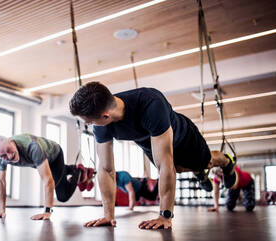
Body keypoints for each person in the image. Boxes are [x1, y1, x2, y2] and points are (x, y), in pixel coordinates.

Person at [69, 81, 237, 230]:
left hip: (184, 137)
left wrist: (165, 215)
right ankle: (199, 173)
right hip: (149, 142)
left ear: (105, 115)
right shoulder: (102, 125)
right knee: (177, 169)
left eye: (89, 122)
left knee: (205, 162)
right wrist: (108, 215)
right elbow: (105, 169)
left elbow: (165, 165)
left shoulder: (150, 103)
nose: (90, 125)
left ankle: (225, 162)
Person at [0, 134, 95, 220]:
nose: (9, 156)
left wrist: (47, 211)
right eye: (3, 156)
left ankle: (77, 171)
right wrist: (1, 210)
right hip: (39, 161)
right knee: (53, 171)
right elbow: (1, 182)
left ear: (11, 141)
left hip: (54, 155)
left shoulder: (32, 147)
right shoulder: (1, 158)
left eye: (9, 150)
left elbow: (47, 180)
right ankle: (69, 169)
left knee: (62, 196)